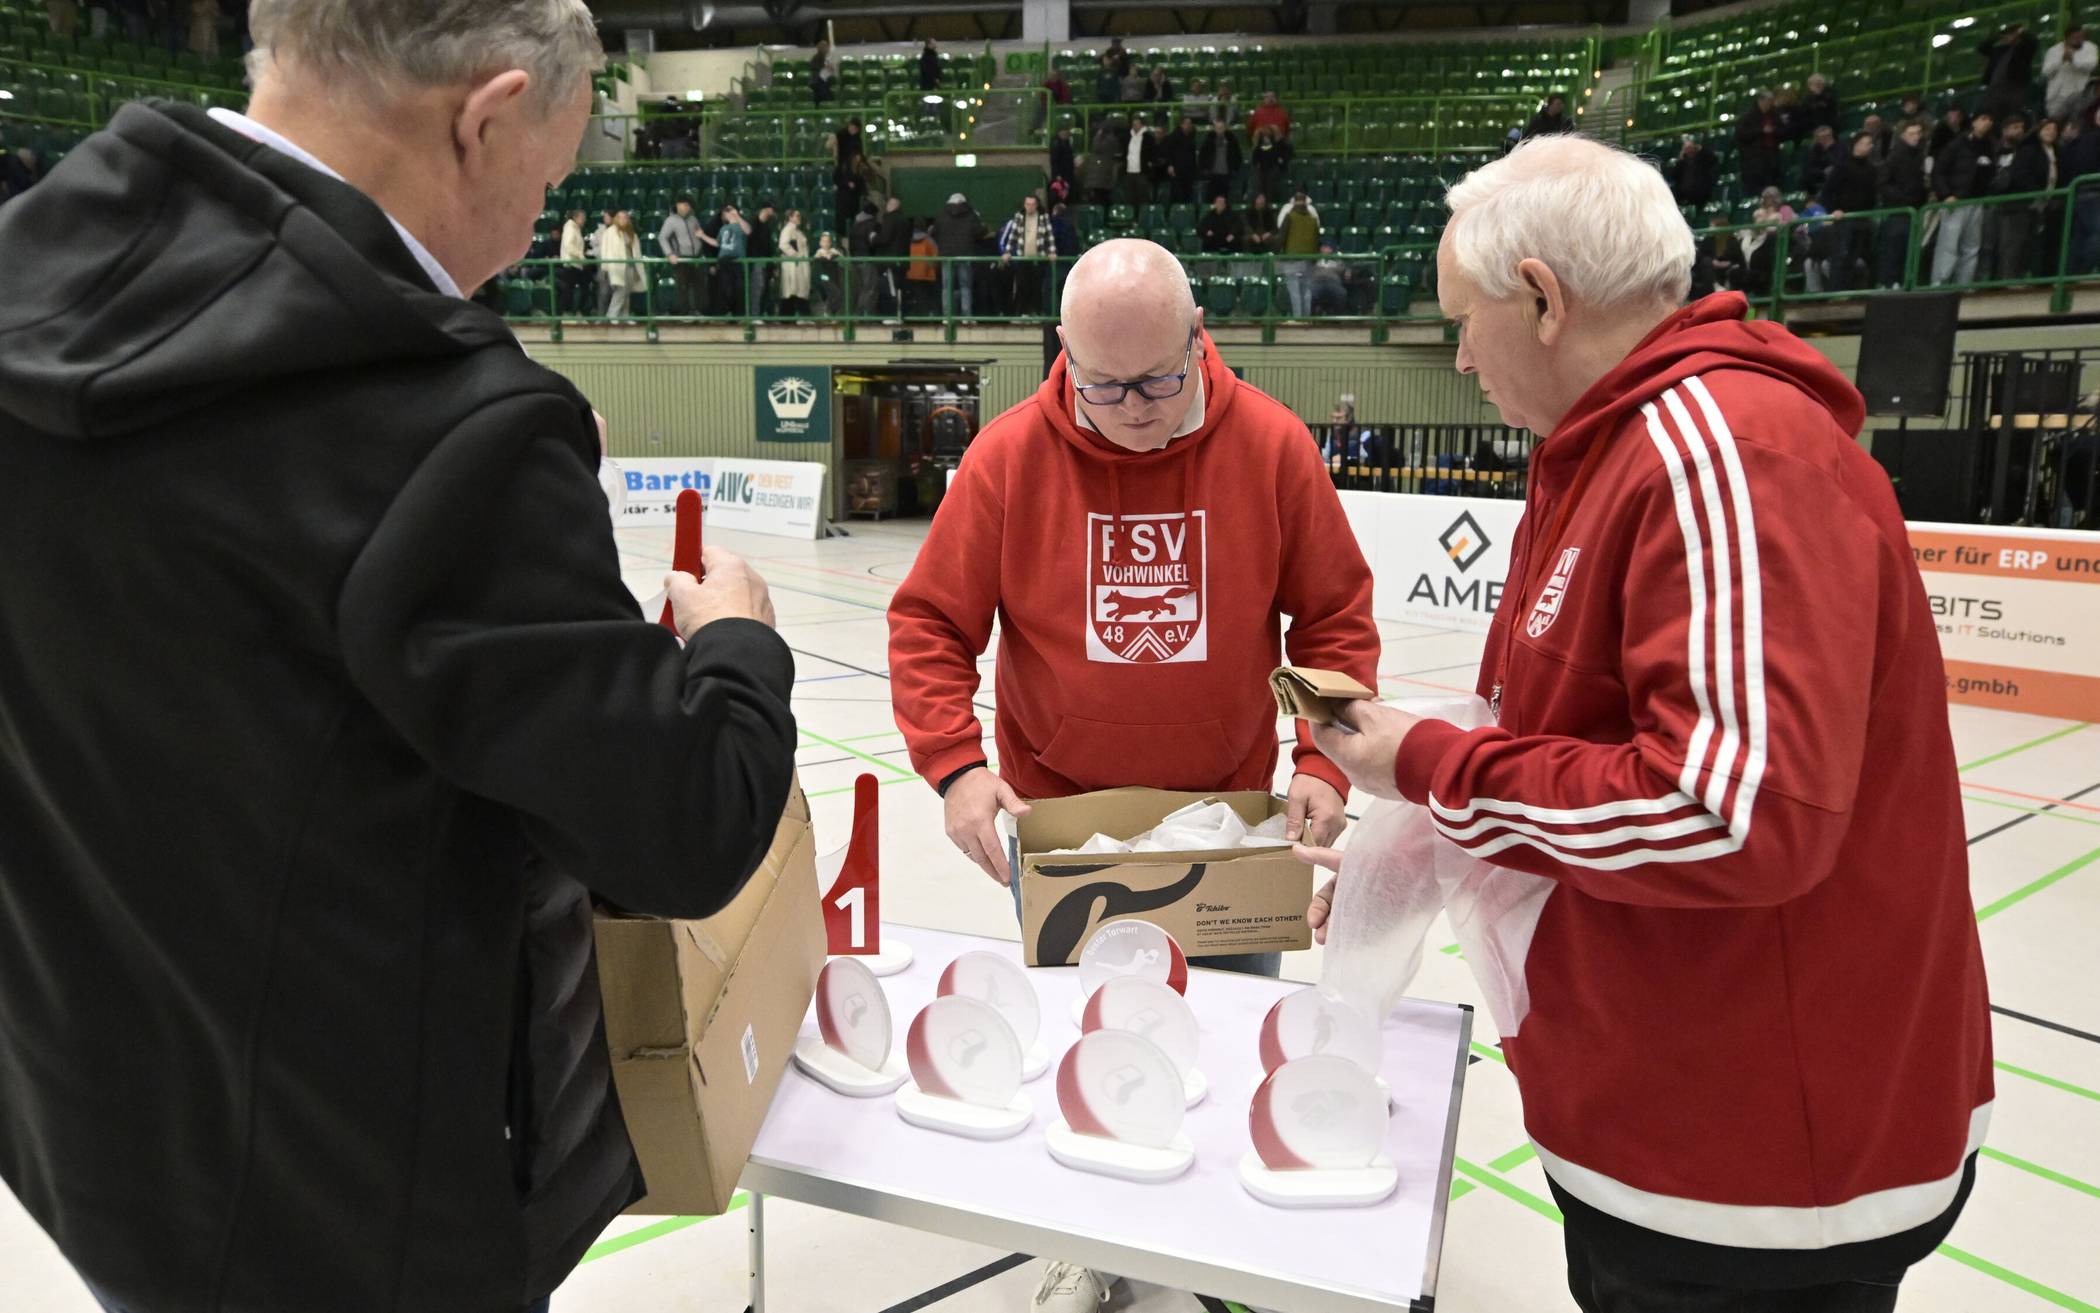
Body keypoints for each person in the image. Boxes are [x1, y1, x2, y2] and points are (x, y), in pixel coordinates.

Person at [0, 1, 800, 1310]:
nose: (535, 229)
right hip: (356, 1208)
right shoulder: (453, 435)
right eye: (548, 183)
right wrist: (739, 648)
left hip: (92, 1129)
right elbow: (684, 828)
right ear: (486, 118)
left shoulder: (31, 272)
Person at [1304, 133, 1989, 1313]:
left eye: (1464, 320)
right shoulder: (1604, 450)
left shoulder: (1721, 454)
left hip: (1757, 1163)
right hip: (1666, 1111)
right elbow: (1562, 731)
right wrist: (1420, 837)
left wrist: (1433, 766)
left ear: (1543, 298)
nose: (1459, 355)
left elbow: (1733, 812)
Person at [886, 237, 1376, 1004]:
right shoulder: (1006, 457)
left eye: (1157, 380)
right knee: (1079, 1038)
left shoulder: (1273, 446)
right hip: (1062, 821)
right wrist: (955, 766)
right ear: (1065, 348)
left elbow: (1331, 616)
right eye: (1104, 385)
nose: (1135, 408)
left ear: (1197, 333)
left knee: (1223, 1032)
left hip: (1229, 822)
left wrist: (1323, 760)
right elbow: (930, 623)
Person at [1933, 110, 1997, 285]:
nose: (1987, 122)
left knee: (1971, 247)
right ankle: (1939, 284)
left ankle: (1963, 285)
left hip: (1978, 201)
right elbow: (1939, 170)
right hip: (1957, 201)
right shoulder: (1958, 143)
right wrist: (1946, 195)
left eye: (1990, 119)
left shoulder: (1990, 145)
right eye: (1983, 118)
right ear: (1973, 122)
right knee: (1948, 246)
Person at [1988, 113, 2048, 281]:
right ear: (2005, 130)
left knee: (2017, 243)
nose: (2020, 131)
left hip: (2017, 203)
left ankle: (2011, 278)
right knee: (1994, 245)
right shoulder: (1994, 149)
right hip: (1995, 201)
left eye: (2021, 128)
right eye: (2015, 128)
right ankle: (1997, 280)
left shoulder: (2027, 150)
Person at [1818, 130, 1880, 291]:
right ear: (1856, 145)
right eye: (1866, 143)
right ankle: (1836, 292)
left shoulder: (1871, 169)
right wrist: (1834, 210)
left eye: (1870, 144)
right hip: (1844, 218)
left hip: (1863, 218)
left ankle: (1847, 290)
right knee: (1841, 255)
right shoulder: (1842, 166)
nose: (1869, 146)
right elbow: (1827, 192)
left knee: (1854, 256)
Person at [1878, 119, 1931, 287]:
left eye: (1918, 133)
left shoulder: (1920, 155)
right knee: (1895, 248)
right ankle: (1890, 282)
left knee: (1910, 248)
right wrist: (1902, 197)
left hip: (1915, 209)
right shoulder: (1894, 156)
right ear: (1903, 135)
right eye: (1912, 133)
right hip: (1898, 210)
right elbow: (1883, 183)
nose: (1916, 137)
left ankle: (1903, 281)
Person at [1001, 193, 1056, 317]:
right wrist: (1007, 252)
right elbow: (1013, 236)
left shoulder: (1043, 217)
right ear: (1024, 205)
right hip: (1023, 257)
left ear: (1036, 205)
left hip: (1039, 257)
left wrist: (1051, 251)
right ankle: (1022, 313)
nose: (1030, 207)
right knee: (1022, 286)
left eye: (1032, 204)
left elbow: (1049, 236)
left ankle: (1036, 312)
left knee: (1037, 287)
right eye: (1027, 204)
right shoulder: (1019, 217)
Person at [933, 191, 986, 319]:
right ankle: (966, 316)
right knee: (965, 286)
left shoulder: (941, 215)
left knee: (946, 287)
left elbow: (935, 232)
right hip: (965, 254)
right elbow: (978, 232)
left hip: (946, 256)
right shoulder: (971, 214)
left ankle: (947, 316)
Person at [1980, 22, 2040, 121]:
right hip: (1995, 90)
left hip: (2015, 89)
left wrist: (2020, 32)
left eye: (2010, 34)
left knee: (2011, 117)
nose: (2008, 37)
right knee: (1991, 117)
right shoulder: (1999, 51)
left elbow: (2033, 42)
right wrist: (1998, 36)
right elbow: (1982, 47)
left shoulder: (2024, 50)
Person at [1276, 189, 1321, 317]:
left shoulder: (1289, 216)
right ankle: (1306, 319)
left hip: (1292, 259)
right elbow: (1316, 239)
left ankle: (1298, 319)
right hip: (1309, 259)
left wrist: (1275, 251)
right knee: (1306, 292)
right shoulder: (1313, 219)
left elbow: (1281, 238)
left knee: (1294, 292)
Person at [658, 195, 705, 316]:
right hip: (682, 259)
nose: (686, 207)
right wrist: (669, 254)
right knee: (683, 287)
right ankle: (685, 314)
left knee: (699, 286)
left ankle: (698, 312)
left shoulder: (693, 219)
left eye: (688, 205)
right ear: (678, 205)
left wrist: (701, 248)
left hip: (696, 258)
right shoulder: (671, 220)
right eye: (684, 205)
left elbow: (699, 235)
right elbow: (662, 237)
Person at [2065, 116, 2100, 272]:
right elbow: (2086, 164)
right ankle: (2084, 270)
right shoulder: (2092, 139)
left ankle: (2072, 272)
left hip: (2084, 192)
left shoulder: (2084, 139)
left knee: (2081, 235)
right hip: (2093, 192)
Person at [602, 208, 647, 320]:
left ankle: (624, 316)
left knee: (627, 292)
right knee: (620, 291)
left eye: (625, 218)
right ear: (616, 219)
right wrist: (605, 266)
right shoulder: (610, 232)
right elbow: (605, 250)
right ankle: (611, 316)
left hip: (630, 265)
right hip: (616, 266)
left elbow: (636, 251)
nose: (623, 220)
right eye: (620, 218)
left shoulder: (631, 233)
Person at [1735, 91, 1782, 194]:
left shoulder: (1774, 114)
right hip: (1754, 161)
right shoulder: (1747, 117)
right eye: (1767, 101)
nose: (1769, 104)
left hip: (1772, 157)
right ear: (1760, 101)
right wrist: (1761, 131)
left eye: (1771, 102)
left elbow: (1781, 129)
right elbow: (1741, 134)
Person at [876, 194, 912, 320]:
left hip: (890, 260)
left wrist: (874, 237)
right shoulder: (905, 220)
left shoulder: (890, 219)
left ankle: (893, 315)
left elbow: (884, 239)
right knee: (901, 288)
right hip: (903, 260)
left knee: (891, 288)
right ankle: (902, 314)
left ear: (892, 206)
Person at [848, 198, 883, 318]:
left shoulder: (854, 226)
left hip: (855, 260)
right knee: (870, 288)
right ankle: (865, 314)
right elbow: (874, 242)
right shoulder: (873, 225)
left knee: (861, 288)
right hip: (868, 259)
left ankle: (859, 313)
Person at [716, 202, 751, 315]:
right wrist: (703, 236)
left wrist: (737, 216)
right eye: (726, 211)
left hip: (737, 260)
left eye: (730, 210)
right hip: (724, 260)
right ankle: (727, 312)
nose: (728, 212)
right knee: (725, 288)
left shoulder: (741, 224)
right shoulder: (723, 228)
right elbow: (717, 243)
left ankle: (738, 314)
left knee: (738, 288)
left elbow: (748, 231)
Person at [1199, 116, 1244, 202]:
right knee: (1211, 199)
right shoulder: (1208, 140)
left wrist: (1234, 170)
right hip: (1212, 175)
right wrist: (1205, 170)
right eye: (1218, 128)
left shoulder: (1232, 140)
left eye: (1221, 128)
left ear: (1225, 128)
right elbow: (1202, 157)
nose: (1219, 130)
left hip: (1226, 175)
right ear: (1214, 129)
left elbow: (1238, 156)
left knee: (1225, 199)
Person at [745, 201, 778, 317]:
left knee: (764, 288)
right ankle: (754, 315)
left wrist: (772, 264)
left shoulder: (767, 226)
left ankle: (762, 313)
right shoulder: (753, 223)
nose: (773, 212)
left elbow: (768, 247)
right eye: (771, 209)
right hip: (756, 261)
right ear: (765, 209)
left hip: (765, 261)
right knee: (757, 288)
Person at [1198, 191, 1245, 269]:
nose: (1220, 204)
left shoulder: (1232, 215)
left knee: (1237, 242)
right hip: (1214, 241)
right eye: (1218, 202)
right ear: (1215, 204)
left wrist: (1232, 234)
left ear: (1225, 204)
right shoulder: (1209, 215)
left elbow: (1239, 226)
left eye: (1222, 202)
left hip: (1228, 241)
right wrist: (1206, 231)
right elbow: (1200, 227)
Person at [559, 207, 593, 315]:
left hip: (576, 264)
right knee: (569, 290)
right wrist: (581, 256)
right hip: (571, 264)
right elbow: (569, 246)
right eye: (582, 217)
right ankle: (565, 313)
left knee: (577, 289)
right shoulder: (570, 228)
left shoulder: (575, 229)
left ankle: (576, 311)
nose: (584, 220)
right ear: (576, 217)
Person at [777, 208, 811, 315]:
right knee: (792, 290)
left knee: (798, 290)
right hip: (793, 265)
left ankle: (796, 316)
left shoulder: (798, 231)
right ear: (790, 217)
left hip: (799, 265)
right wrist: (796, 256)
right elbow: (783, 245)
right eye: (797, 216)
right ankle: (790, 316)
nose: (799, 218)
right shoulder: (788, 229)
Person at [1670, 135, 1716, 208]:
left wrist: (1700, 148)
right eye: (1686, 149)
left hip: (1699, 194)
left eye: (1690, 148)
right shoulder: (1683, 162)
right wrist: (1680, 158)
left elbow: (1713, 159)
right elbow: (1673, 175)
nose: (1688, 151)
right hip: (1682, 195)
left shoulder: (1703, 158)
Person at [1162, 113, 1199, 204]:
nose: (1188, 125)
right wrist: (1170, 165)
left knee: (1188, 194)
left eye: (1190, 124)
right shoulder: (1173, 136)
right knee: (1176, 194)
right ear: (1181, 124)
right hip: (1177, 170)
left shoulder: (1192, 136)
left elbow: (1193, 155)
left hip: (1189, 171)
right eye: (1186, 123)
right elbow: (1168, 152)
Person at [1085, 115, 1122, 205]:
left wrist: (1098, 136)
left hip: (1099, 176)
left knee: (1099, 197)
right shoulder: (1113, 139)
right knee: (1105, 197)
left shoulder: (1100, 139)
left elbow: (1096, 148)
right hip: (1106, 174)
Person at [1251, 123, 1291, 205]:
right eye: (1264, 136)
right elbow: (1255, 159)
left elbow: (1287, 153)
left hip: (1274, 172)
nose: (1266, 138)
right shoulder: (1258, 147)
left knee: (1272, 187)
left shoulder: (1278, 145)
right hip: (1262, 172)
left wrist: (1279, 139)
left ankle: (1269, 203)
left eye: (1268, 136)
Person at [906, 218, 939, 316]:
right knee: (928, 297)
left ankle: (917, 315)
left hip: (911, 273)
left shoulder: (908, 240)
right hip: (927, 272)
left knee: (916, 296)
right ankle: (928, 316)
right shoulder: (929, 240)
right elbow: (936, 256)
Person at [1798, 123, 1840, 194]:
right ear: (1816, 139)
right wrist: (1823, 172)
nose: (1825, 141)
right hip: (1817, 183)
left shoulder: (1840, 148)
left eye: (1827, 137)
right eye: (1822, 138)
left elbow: (1842, 163)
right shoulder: (1811, 152)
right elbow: (1807, 170)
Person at [810, 230, 844, 317]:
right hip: (823, 277)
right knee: (832, 293)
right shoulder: (819, 252)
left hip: (833, 276)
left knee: (835, 293)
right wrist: (823, 257)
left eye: (827, 241)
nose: (825, 243)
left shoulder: (833, 251)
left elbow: (842, 257)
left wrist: (834, 256)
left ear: (830, 243)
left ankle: (832, 313)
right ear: (820, 243)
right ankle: (828, 312)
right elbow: (814, 260)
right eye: (823, 241)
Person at [1124, 118, 1156, 207]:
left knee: (1143, 196)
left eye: (1137, 124)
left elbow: (1153, 153)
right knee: (1129, 196)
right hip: (1129, 171)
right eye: (1133, 124)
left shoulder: (1148, 138)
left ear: (1141, 125)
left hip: (1142, 172)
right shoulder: (1127, 137)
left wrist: (1150, 163)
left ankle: (1143, 214)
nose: (1135, 126)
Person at [1798, 71, 1839, 136]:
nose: (1817, 86)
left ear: (1823, 84)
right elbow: (1804, 111)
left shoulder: (1830, 93)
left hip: (1829, 124)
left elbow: (1831, 106)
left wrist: (1818, 95)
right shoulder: (1807, 98)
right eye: (1813, 84)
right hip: (1813, 126)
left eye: (1819, 83)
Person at [1050, 123, 1078, 203]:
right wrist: (1057, 174)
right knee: (1062, 194)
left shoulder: (1065, 142)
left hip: (1067, 172)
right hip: (1062, 174)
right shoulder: (1057, 144)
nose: (1067, 134)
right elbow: (1054, 160)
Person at [811, 38, 834, 105]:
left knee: (827, 96)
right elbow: (817, 67)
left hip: (823, 81)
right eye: (826, 47)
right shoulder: (818, 57)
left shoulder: (824, 57)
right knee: (825, 97)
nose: (828, 49)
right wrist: (827, 67)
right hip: (818, 81)